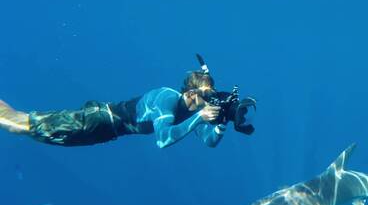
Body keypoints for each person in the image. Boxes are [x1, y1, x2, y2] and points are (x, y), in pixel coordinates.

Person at [0, 69, 244, 148]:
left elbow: (209, 142)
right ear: (191, 93)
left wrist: (220, 122)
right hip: (98, 120)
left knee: (27, 128)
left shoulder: (189, 113)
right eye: (207, 95)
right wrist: (201, 117)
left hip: (107, 132)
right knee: (21, 124)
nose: (211, 99)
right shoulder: (167, 98)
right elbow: (162, 139)